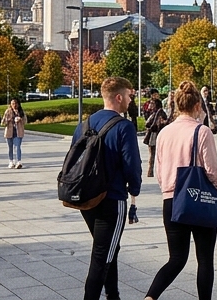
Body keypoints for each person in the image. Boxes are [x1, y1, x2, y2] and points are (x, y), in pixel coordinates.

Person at [144, 81, 217, 300]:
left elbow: (159, 170)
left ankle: (150, 297)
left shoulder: (165, 133)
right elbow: (211, 170)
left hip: (171, 199)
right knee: (205, 259)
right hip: (199, 198)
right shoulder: (202, 131)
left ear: (178, 105)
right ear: (198, 105)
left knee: (176, 258)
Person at [70, 77, 142, 300]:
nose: (131, 100)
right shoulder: (124, 127)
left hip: (86, 198)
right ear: (118, 97)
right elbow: (132, 165)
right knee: (102, 255)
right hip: (112, 199)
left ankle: (113, 295)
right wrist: (135, 189)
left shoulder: (84, 125)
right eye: (129, 96)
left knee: (110, 247)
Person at [144, 93, 170, 177]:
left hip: (156, 135)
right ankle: (150, 171)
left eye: (152, 103)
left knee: (156, 154)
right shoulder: (153, 113)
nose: (150, 105)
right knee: (152, 154)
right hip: (154, 135)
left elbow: (152, 124)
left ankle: (154, 171)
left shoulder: (159, 113)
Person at [3, 98, 27, 169]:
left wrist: (21, 119)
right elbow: (3, 122)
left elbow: (25, 121)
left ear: (18, 104)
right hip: (9, 132)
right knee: (10, 148)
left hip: (18, 132)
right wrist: (10, 120)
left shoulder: (21, 112)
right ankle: (11, 161)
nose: (14, 105)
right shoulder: (8, 111)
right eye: (12, 103)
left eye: (15, 103)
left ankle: (19, 161)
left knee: (17, 147)